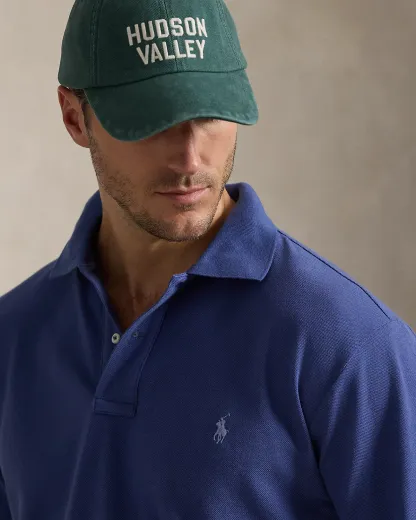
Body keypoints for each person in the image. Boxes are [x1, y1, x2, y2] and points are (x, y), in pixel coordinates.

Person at [0, 0, 415, 518]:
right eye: (151, 118)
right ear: (73, 117)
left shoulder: (352, 345)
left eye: (212, 112)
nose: (191, 159)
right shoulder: (13, 339)